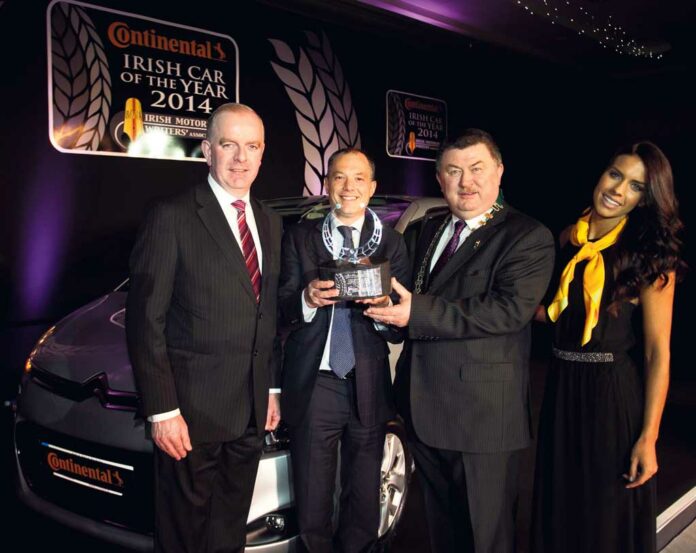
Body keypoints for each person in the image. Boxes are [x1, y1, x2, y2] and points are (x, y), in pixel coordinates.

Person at [365, 129, 555, 553]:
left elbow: (507, 311)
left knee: (485, 537)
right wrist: (386, 313)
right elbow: (405, 301)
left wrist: (415, 313)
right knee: (443, 532)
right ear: (439, 179)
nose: (465, 181)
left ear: (500, 172)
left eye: (476, 169)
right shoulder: (427, 231)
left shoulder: (526, 236)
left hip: (483, 419)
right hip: (422, 410)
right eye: (453, 171)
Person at [126, 103, 282, 553]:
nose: (240, 158)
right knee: (183, 538)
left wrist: (270, 387)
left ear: (263, 153)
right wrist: (162, 411)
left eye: (251, 146)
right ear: (207, 151)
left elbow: (265, 313)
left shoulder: (270, 222)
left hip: (250, 411)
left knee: (228, 532)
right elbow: (145, 322)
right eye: (228, 145)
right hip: (189, 418)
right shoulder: (171, 216)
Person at [531, 141, 686, 553]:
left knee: (603, 519)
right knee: (560, 509)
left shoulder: (651, 256)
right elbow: (553, 313)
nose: (618, 189)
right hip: (562, 388)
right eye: (616, 175)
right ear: (602, 174)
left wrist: (648, 438)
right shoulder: (569, 238)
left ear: (644, 200)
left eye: (635, 186)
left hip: (611, 396)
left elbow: (657, 353)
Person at [278, 147, 410, 552]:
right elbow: (280, 308)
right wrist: (306, 299)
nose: (348, 187)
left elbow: (399, 329)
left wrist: (384, 311)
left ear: (371, 188)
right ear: (327, 184)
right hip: (317, 384)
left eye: (357, 178)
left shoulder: (392, 244)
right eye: (338, 177)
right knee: (314, 498)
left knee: (363, 496)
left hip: (368, 381)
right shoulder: (301, 238)